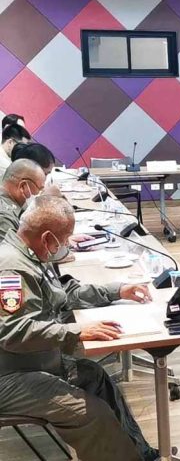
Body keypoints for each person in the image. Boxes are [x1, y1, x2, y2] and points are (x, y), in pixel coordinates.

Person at [0, 195, 159, 461]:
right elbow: (13, 333)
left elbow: (65, 295)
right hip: (10, 376)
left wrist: (117, 290)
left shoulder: (32, 256)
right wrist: (76, 332)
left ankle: (141, 454)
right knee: (91, 414)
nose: (66, 246)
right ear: (47, 238)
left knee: (96, 376)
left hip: (34, 363)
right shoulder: (11, 270)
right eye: (64, 240)